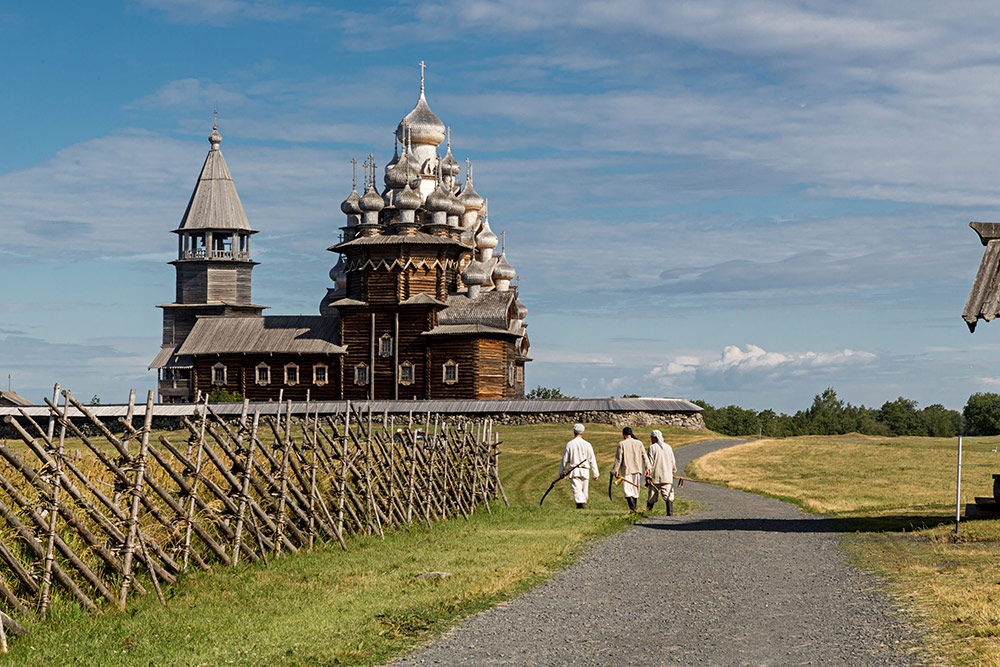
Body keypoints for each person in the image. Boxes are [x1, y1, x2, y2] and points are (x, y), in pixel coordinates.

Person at [560, 423, 599, 509]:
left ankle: (580, 504)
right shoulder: (587, 444)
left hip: (574, 470)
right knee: (584, 489)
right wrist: (595, 473)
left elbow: (564, 460)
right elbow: (592, 460)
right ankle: (582, 503)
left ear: (574, 432)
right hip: (585, 470)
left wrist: (561, 471)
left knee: (577, 489)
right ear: (583, 432)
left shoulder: (570, 444)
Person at [612, 426, 650, 512]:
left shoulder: (621, 444)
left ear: (624, 434)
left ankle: (632, 508)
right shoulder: (639, 443)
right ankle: (634, 508)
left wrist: (616, 470)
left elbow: (618, 459)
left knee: (628, 490)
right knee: (635, 489)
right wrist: (647, 468)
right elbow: (645, 456)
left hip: (627, 470)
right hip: (637, 469)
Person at [646, 429, 677, 515]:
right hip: (667, 476)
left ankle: (647, 513)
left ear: (654, 438)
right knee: (668, 496)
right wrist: (673, 471)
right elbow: (672, 461)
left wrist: (648, 475)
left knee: (652, 496)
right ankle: (669, 513)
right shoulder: (668, 447)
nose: (651, 439)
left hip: (655, 476)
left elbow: (650, 463)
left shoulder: (652, 448)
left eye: (651, 437)